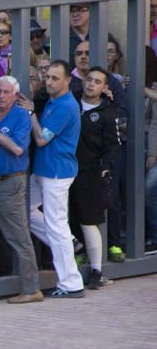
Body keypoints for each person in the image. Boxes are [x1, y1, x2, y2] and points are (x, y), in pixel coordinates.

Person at [18, 60, 85, 298]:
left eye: (55, 78)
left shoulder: (65, 105)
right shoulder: (55, 101)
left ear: (68, 80)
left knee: (57, 226)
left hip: (56, 173)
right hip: (46, 170)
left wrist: (30, 113)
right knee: (26, 211)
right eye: (47, 77)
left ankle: (71, 283)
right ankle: (70, 242)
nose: (49, 81)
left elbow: (42, 139)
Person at [0, 76, 41, 303]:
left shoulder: (22, 116)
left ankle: (31, 289)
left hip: (10, 182)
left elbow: (18, 149)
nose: (0, 96)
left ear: (16, 95)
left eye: (6, 92)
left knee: (18, 236)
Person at [70, 67, 119, 289]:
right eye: (88, 79)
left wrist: (105, 169)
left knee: (89, 221)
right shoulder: (70, 100)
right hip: (64, 168)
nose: (91, 84)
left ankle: (97, 271)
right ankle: (73, 264)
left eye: (97, 81)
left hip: (90, 172)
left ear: (104, 88)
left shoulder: (107, 112)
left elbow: (112, 146)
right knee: (66, 218)